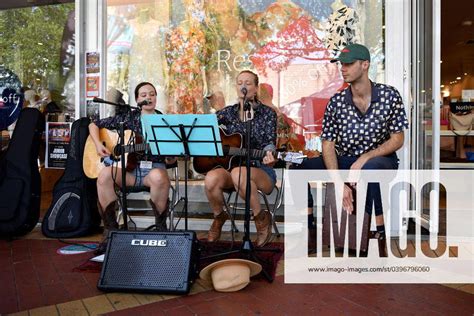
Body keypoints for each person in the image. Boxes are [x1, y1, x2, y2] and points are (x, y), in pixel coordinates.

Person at [296, 43, 409, 253]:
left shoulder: (389, 96)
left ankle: (376, 233)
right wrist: (339, 183)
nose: (343, 68)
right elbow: (327, 144)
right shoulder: (337, 102)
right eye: (341, 64)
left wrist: (365, 157)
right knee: (299, 167)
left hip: (381, 160)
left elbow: (398, 139)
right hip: (346, 159)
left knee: (370, 169)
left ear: (365, 65)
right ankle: (309, 229)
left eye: (348, 63)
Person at [88, 82, 175, 247]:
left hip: (154, 172)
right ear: (137, 100)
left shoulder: (164, 121)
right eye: (144, 95)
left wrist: (172, 157)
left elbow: (171, 159)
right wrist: (99, 145)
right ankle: (111, 231)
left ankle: (160, 227)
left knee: (158, 176)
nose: (148, 97)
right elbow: (93, 124)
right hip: (129, 172)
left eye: (152, 94)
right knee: (105, 174)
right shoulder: (128, 118)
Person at [204, 70, 278, 247]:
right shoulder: (227, 113)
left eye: (248, 83)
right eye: (239, 82)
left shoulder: (268, 114)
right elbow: (205, 129)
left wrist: (270, 154)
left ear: (256, 88)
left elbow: (269, 141)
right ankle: (219, 216)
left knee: (239, 173)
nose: (243, 86)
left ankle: (261, 220)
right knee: (211, 178)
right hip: (233, 169)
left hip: (261, 169)